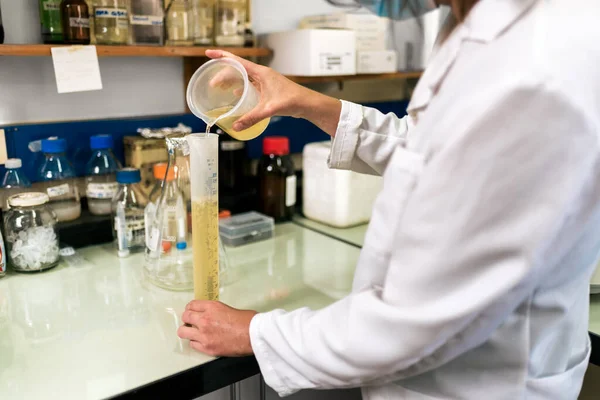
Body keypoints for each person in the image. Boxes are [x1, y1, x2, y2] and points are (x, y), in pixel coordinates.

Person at [178, 0, 600, 398]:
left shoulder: (537, 66)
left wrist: (256, 332)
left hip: (479, 382)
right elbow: (433, 148)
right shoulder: (470, 22)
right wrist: (304, 101)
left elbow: (419, 321)